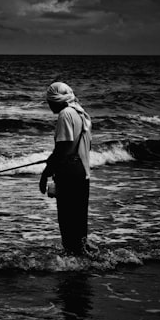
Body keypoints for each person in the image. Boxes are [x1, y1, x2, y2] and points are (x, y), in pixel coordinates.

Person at [39, 81, 97, 256]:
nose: (49, 106)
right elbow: (87, 146)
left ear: (56, 100)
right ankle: (82, 260)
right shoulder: (82, 113)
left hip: (69, 172)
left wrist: (46, 172)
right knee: (79, 221)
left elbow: (64, 147)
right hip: (82, 172)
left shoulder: (65, 114)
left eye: (49, 102)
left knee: (67, 221)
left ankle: (71, 264)